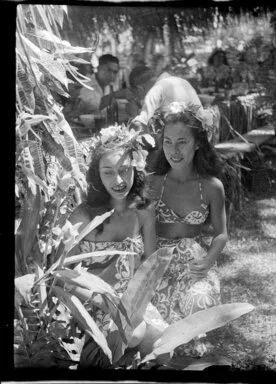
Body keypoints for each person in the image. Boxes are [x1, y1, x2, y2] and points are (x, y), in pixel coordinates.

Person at [67, 124, 156, 366]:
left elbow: (150, 265)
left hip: (130, 303)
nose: (118, 180)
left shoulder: (143, 211)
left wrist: (135, 304)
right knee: (136, 334)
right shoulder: (83, 217)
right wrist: (104, 302)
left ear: (136, 169)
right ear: (97, 174)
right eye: (108, 172)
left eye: (124, 170)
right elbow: (63, 277)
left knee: (162, 344)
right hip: (90, 305)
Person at [148, 101, 228, 357]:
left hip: (192, 262)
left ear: (198, 143)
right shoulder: (151, 183)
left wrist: (207, 261)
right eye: (168, 142)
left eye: (182, 141)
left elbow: (221, 234)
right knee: (156, 326)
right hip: (156, 260)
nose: (174, 149)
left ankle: (192, 338)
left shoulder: (212, 186)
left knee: (198, 300)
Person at [128, 66, 203, 132]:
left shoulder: (155, 91)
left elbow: (140, 127)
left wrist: (133, 114)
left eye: (136, 95)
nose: (137, 98)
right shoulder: (170, 80)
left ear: (140, 88)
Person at [65, 54, 133, 122]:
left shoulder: (111, 87)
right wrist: (115, 95)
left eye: (115, 72)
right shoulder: (85, 84)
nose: (112, 75)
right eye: (109, 70)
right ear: (99, 68)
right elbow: (93, 106)